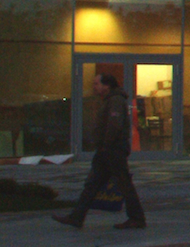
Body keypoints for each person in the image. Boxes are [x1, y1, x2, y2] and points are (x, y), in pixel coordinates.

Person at [54, 73, 146, 230]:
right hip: (107, 150)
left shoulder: (115, 101)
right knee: (93, 183)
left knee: (123, 183)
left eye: (97, 84)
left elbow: (114, 125)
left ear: (107, 86)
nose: (94, 87)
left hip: (112, 150)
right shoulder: (110, 100)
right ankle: (77, 216)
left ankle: (137, 218)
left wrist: (106, 144)